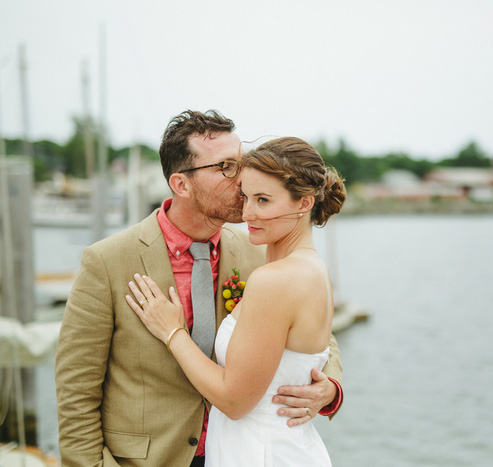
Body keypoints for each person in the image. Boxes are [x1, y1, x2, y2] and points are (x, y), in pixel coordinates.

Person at [55, 111, 343, 467]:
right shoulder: (107, 261)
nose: (242, 179)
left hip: (238, 453)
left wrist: (330, 389)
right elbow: (76, 393)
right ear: (181, 184)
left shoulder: (259, 252)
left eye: (241, 162)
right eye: (226, 167)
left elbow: (318, 336)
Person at [126, 136, 346, 466]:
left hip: (261, 453)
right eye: (245, 197)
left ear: (304, 204)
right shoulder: (313, 269)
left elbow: (233, 400)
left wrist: (173, 332)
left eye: (263, 200)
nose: (247, 213)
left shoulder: (275, 279)